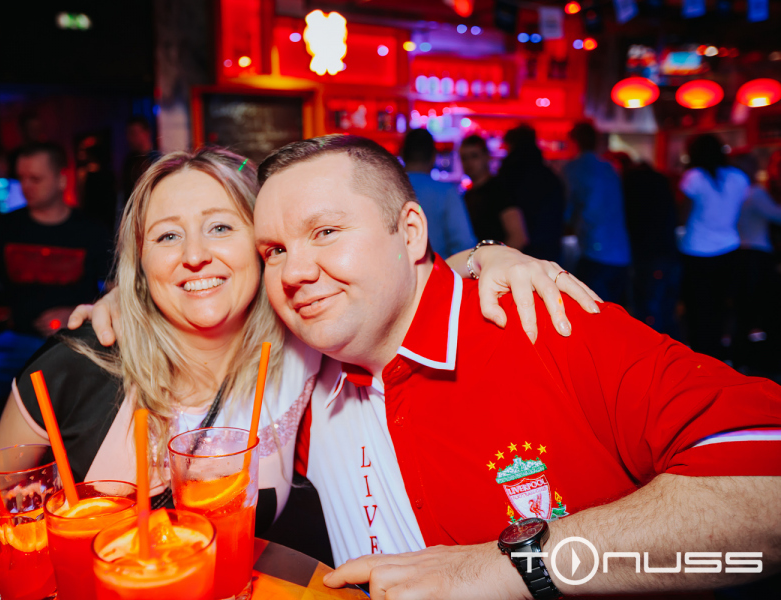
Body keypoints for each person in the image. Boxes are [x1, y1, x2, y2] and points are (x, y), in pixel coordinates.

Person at [0, 145, 599, 579]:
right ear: (139, 262)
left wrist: (487, 256)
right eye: (167, 236)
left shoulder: (308, 351)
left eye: (221, 226)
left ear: (263, 249)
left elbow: (388, 280)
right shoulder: (78, 367)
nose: (194, 255)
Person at [250, 135, 780, 599]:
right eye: (274, 250)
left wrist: (517, 567)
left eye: (325, 232)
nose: (293, 272)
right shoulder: (302, 385)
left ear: (410, 232)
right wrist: (479, 253)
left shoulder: (544, 322)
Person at [0, 142, 112, 414]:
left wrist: (77, 313)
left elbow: (118, 292)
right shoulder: (2, 227)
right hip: (12, 340)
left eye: (35, 179)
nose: (26, 186)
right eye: (21, 178)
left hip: (74, 339)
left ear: (61, 180)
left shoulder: (91, 231)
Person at [679, 134, 749, 360]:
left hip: (696, 250)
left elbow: (682, 215)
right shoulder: (738, 177)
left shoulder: (694, 177)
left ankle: (700, 362)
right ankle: (720, 359)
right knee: (721, 309)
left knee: (698, 312)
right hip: (729, 248)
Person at [563, 123, 632, 304]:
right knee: (614, 312)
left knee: (592, 311)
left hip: (595, 251)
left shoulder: (574, 168)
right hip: (621, 253)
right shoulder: (610, 168)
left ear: (575, 142)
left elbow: (568, 209)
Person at [621, 158, 681, 336]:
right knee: (666, 314)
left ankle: (655, 353)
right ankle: (672, 352)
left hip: (649, 257)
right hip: (670, 255)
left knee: (650, 314)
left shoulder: (633, 186)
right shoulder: (660, 183)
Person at [733, 151, 781, 367]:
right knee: (764, 307)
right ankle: (763, 360)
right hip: (757, 254)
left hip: (740, 252)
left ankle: (741, 358)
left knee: (745, 309)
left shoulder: (736, 191)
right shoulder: (755, 192)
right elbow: (778, 215)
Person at [494, 124, 564, 263]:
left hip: (521, 253)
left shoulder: (510, 175)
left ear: (512, 145)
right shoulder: (549, 175)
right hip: (550, 250)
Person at [402, 128, 476, 258]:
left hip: (393, 269)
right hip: (437, 268)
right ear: (434, 157)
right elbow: (464, 244)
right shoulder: (447, 192)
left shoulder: (387, 189)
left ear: (402, 154)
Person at [460, 135, 528, 250]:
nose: (469, 162)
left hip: (495, 258)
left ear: (487, 157)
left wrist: (497, 258)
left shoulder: (499, 190)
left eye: (474, 156)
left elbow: (518, 237)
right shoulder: (467, 195)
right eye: (464, 158)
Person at [122, 116, 161, 204]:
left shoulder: (156, 160)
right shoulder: (129, 161)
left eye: (133, 133)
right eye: (128, 133)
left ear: (146, 133)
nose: (130, 138)